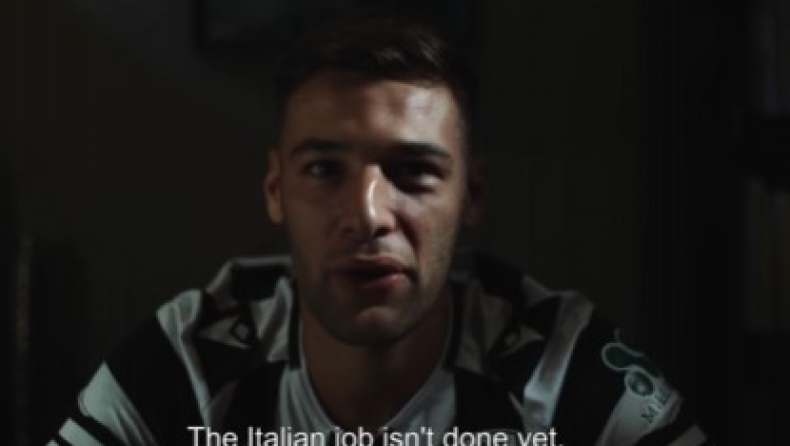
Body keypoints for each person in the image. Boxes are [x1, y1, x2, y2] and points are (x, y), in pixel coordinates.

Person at [49, 15, 711, 446]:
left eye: (414, 172)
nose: (368, 215)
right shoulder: (189, 363)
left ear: (472, 193)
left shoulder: (560, 370)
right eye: (324, 170)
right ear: (276, 189)